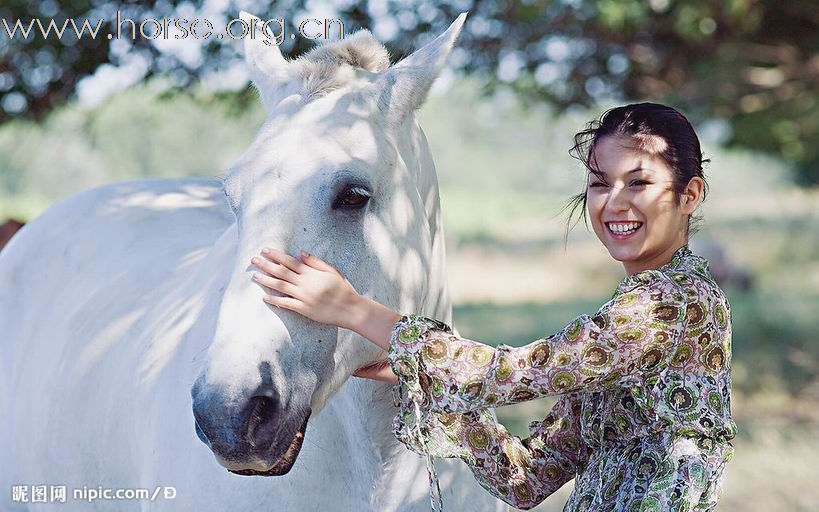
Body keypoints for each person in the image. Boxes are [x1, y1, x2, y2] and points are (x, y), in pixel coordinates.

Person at [249, 103, 737, 511]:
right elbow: (524, 479)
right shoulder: (632, 315)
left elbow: (510, 374)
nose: (614, 203)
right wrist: (419, 374)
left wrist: (354, 309)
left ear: (688, 194)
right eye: (599, 183)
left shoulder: (674, 305)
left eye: (638, 183)